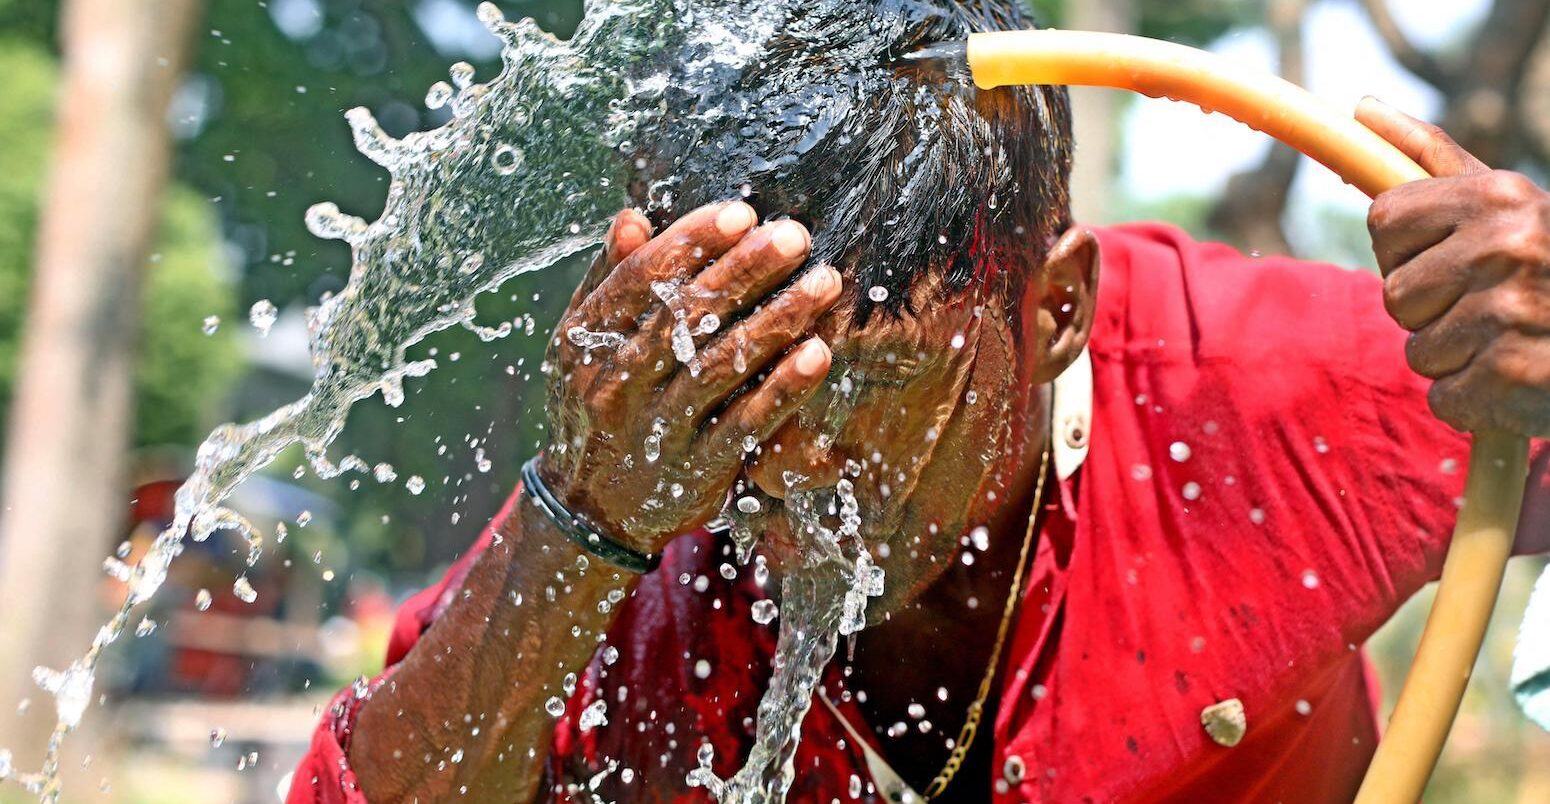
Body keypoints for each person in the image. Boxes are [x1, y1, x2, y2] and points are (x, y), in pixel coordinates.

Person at [287, 0, 1550, 801]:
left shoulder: (1270, 392)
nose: (790, 462)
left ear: (1053, 312)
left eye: (879, 380)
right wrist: (575, 522)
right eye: (748, 378)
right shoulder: (636, 506)